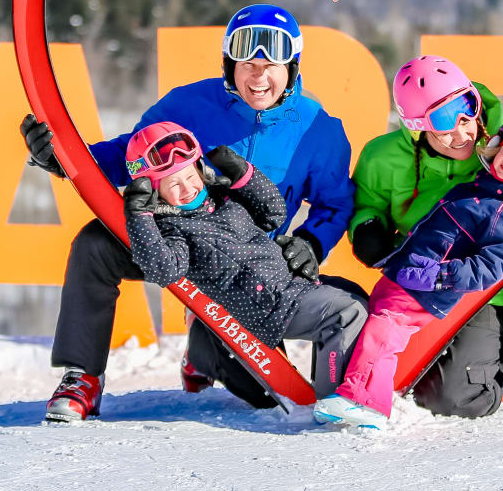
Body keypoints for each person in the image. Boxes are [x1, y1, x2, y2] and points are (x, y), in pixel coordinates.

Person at [21, 4, 356, 421]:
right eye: (247, 65)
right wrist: (64, 160)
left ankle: (203, 351)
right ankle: (83, 376)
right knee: (95, 245)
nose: (258, 78)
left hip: (244, 271)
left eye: (270, 66)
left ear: (291, 68)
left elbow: (335, 203)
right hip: (169, 245)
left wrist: (311, 241)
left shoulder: (318, 130)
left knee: (266, 395)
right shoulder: (188, 105)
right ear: (229, 65)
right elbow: (128, 155)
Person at [315, 112, 503, 430]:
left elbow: (493, 266)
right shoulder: (486, 187)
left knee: (384, 330)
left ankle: (365, 401)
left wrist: (440, 276)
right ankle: (355, 393)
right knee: (375, 324)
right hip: (409, 274)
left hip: (428, 285)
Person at [120, 123, 366, 405]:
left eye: (190, 175)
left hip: (286, 286)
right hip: (265, 306)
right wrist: (139, 217)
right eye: (173, 184)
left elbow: (273, 214)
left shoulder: (224, 198)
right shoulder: (173, 228)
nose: (187, 188)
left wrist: (242, 174)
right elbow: (163, 270)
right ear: (153, 191)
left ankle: (344, 381)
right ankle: (333, 399)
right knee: (344, 312)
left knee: (354, 293)